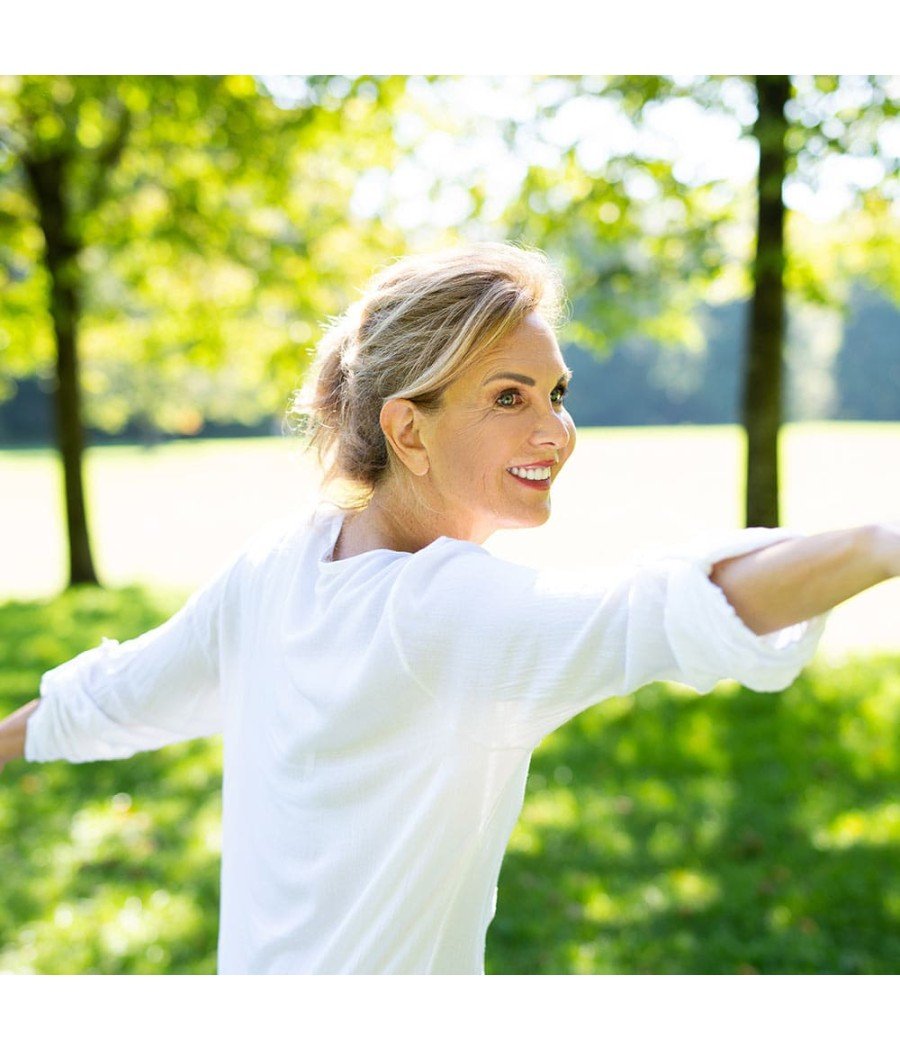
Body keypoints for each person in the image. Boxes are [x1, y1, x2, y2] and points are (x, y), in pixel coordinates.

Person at [1, 241, 897, 975]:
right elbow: (676, 610)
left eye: (556, 393)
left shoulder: (278, 562)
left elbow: (110, 699)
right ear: (407, 429)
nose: (554, 430)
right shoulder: (446, 612)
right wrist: (882, 543)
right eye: (508, 398)